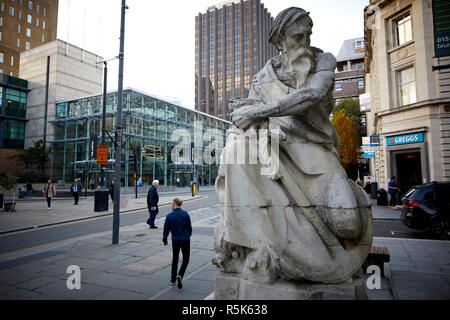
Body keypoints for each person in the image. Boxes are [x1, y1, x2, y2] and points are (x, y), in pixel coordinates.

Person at [213, 7, 372, 284]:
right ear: (281, 39)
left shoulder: (324, 60)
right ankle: (258, 248)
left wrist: (260, 111)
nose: (306, 38)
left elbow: (312, 95)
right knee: (238, 150)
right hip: (279, 146)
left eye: (309, 32)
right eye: (299, 34)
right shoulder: (263, 77)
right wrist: (245, 117)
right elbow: (248, 116)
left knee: (348, 224)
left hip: (315, 150)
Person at [163, 198, 192, 289]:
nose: (171, 205)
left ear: (174, 204)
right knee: (186, 259)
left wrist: (165, 240)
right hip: (185, 239)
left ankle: (172, 280)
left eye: (172, 203)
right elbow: (189, 228)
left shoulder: (169, 216)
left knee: (175, 259)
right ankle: (180, 275)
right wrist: (188, 235)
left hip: (175, 240)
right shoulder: (185, 214)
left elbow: (166, 229)